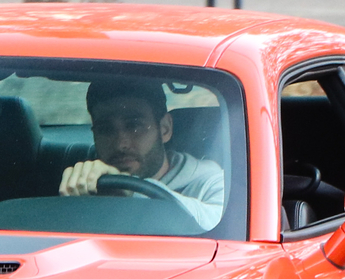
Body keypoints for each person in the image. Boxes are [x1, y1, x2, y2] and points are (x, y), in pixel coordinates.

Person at [59, 78, 225, 228]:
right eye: (105, 129)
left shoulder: (210, 182)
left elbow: (220, 225)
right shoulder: (84, 183)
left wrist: (129, 190)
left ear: (165, 129)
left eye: (135, 126)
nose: (120, 144)